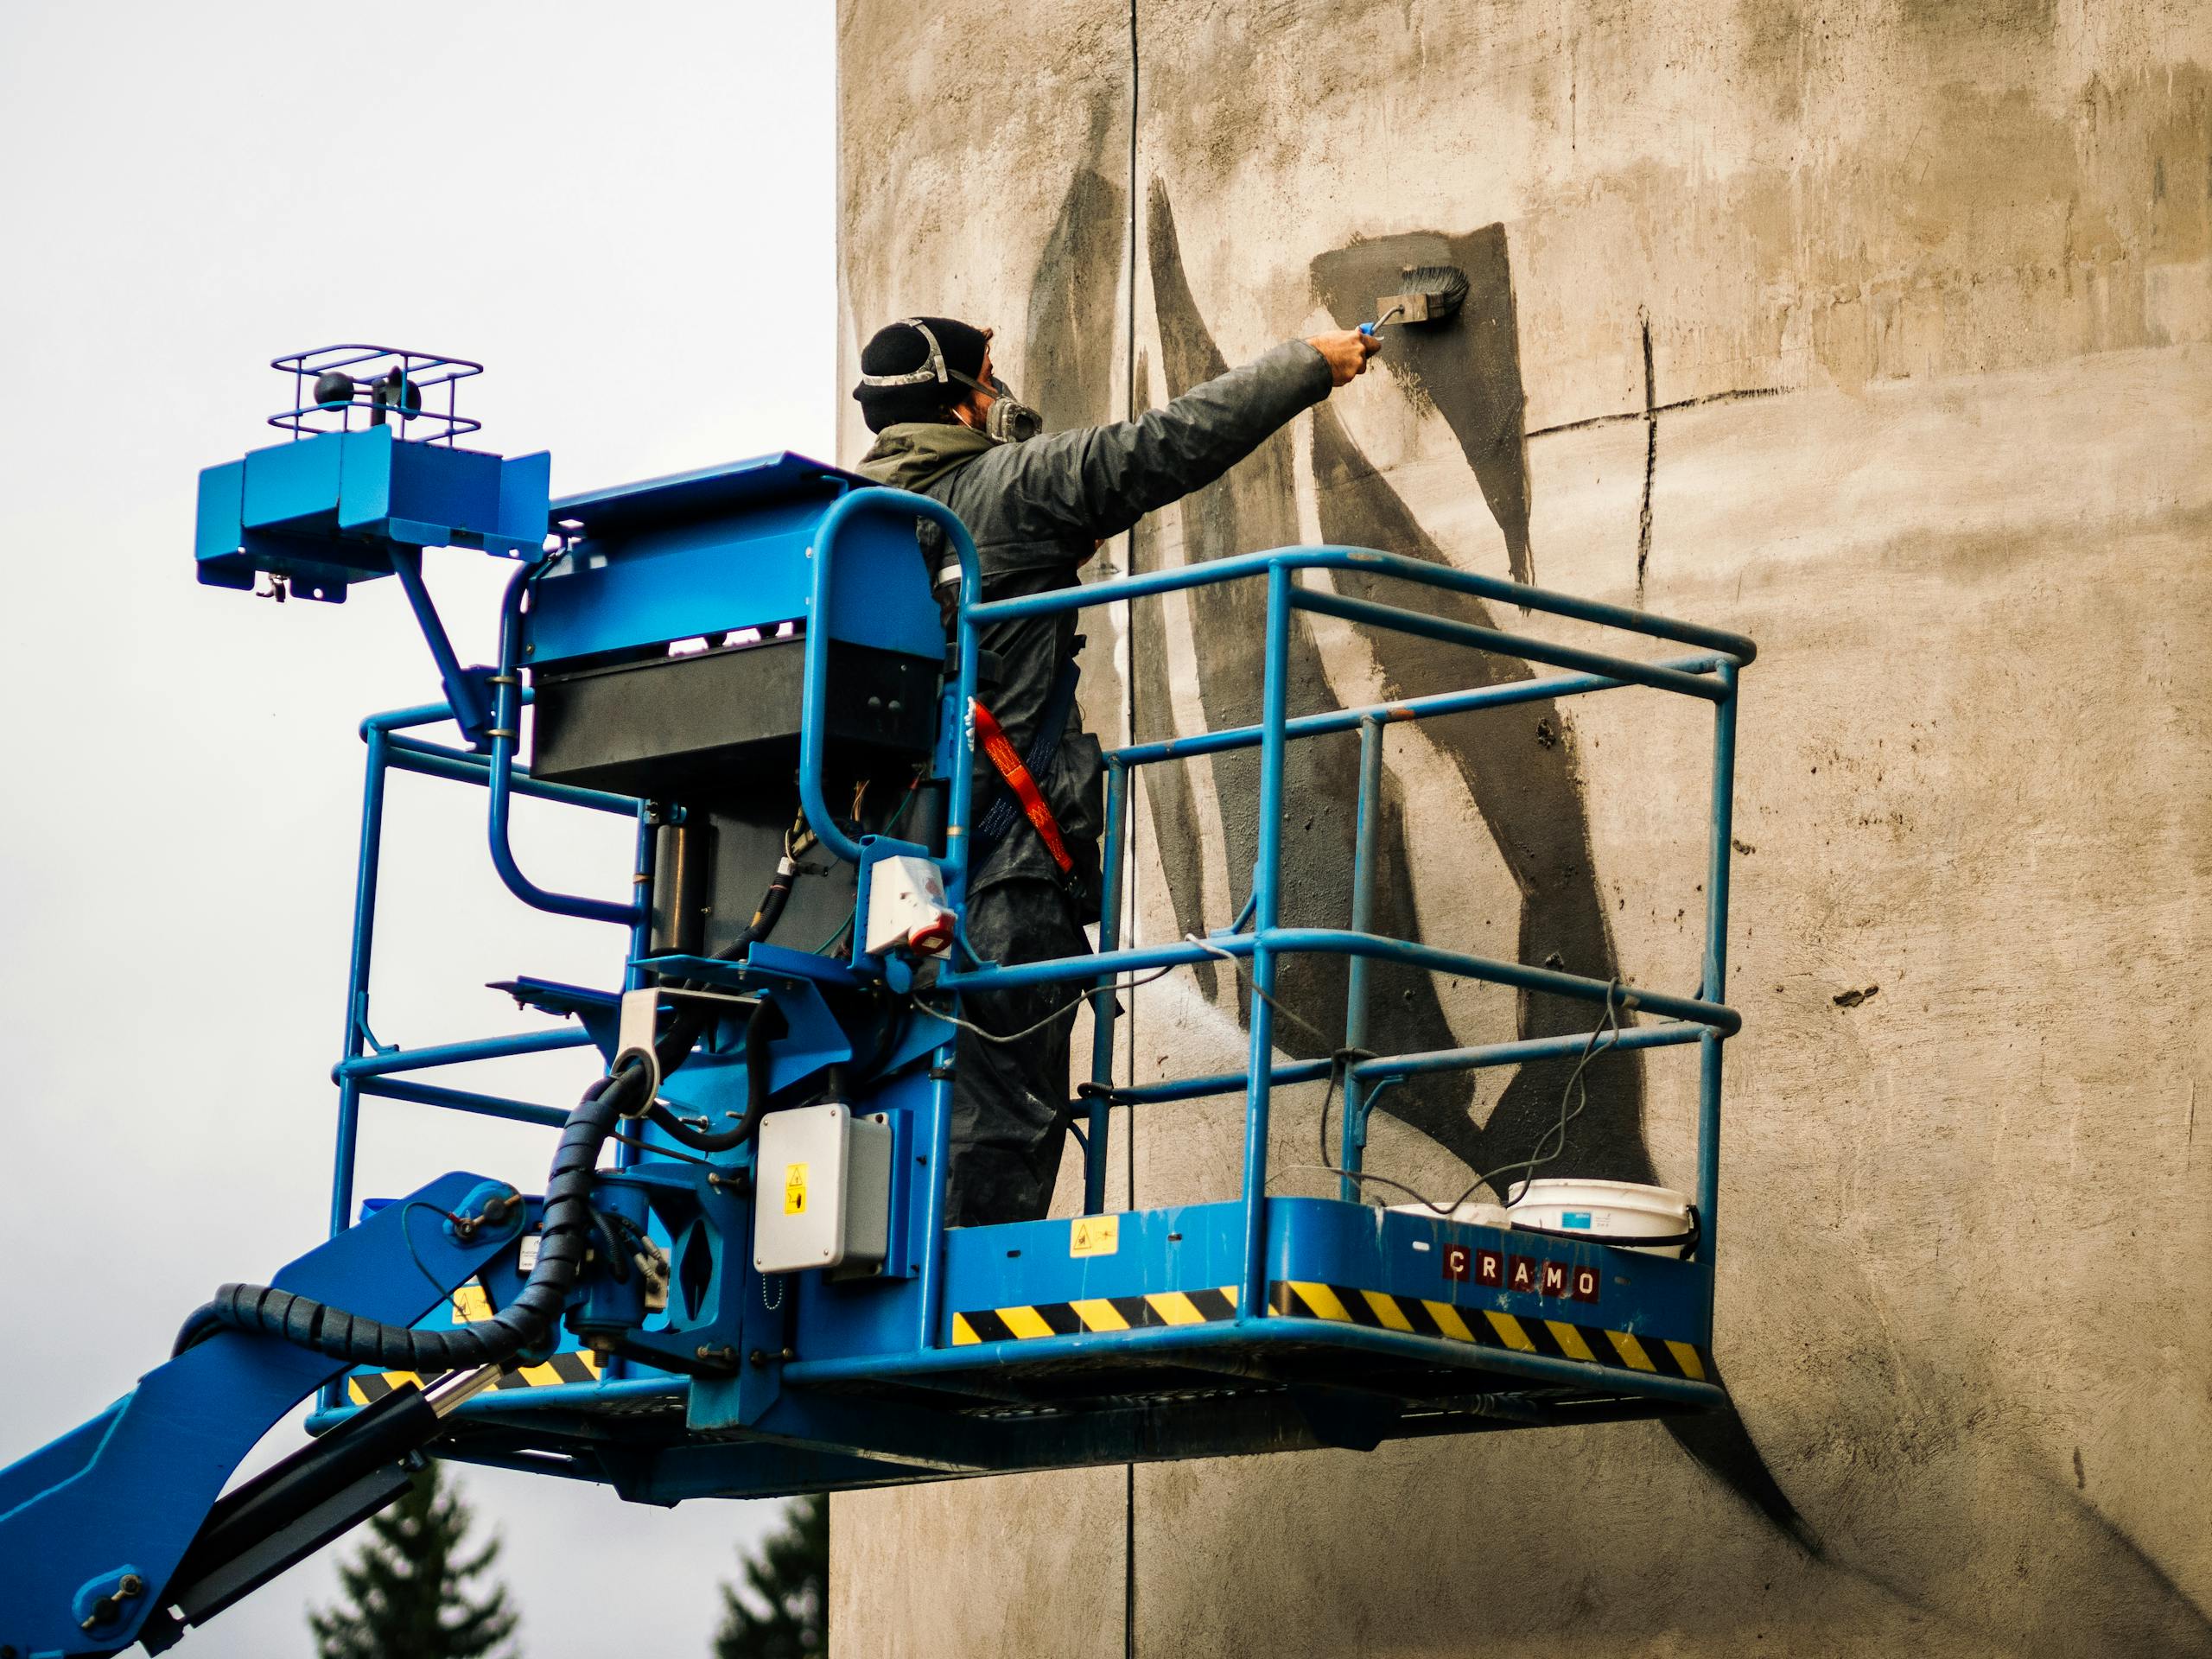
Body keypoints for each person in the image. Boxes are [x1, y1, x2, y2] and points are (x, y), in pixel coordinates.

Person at [850, 314, 1381, 1226]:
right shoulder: (1011, 486)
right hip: (998, 877)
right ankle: (967, 1323)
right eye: (990, 379)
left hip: (854, 881)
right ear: (963, 400)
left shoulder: (844, 524)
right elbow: (1162, 445)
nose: (1000, 397)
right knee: (1002, 1114)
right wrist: (1310, 364)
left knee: (880, 1108)